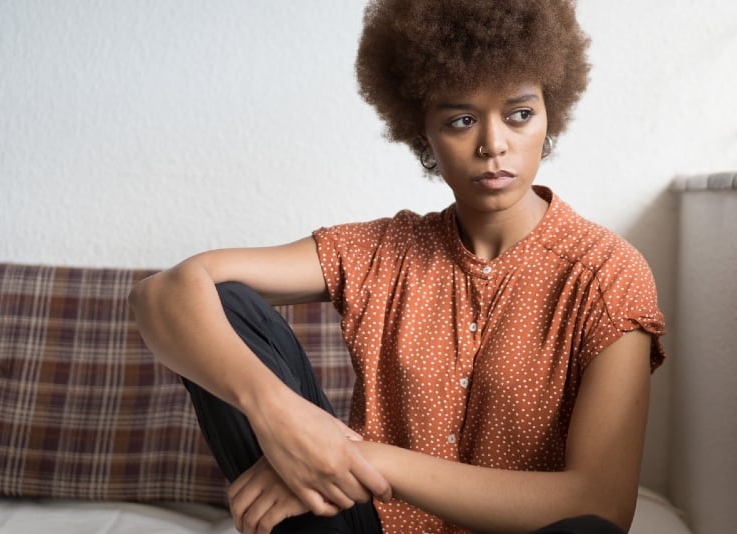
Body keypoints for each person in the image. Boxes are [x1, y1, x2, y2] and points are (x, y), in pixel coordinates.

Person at [129, 0, 666, 532]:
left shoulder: (607, 275)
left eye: (520, 114)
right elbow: (163, 293)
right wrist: (280, 417)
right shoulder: (383, 251)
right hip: (358, 526)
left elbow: (602, 504)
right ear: (421, 132)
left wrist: (367, 458)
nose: (493, 145)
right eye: (461, 119)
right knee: (226, 302)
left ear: (551, 112)